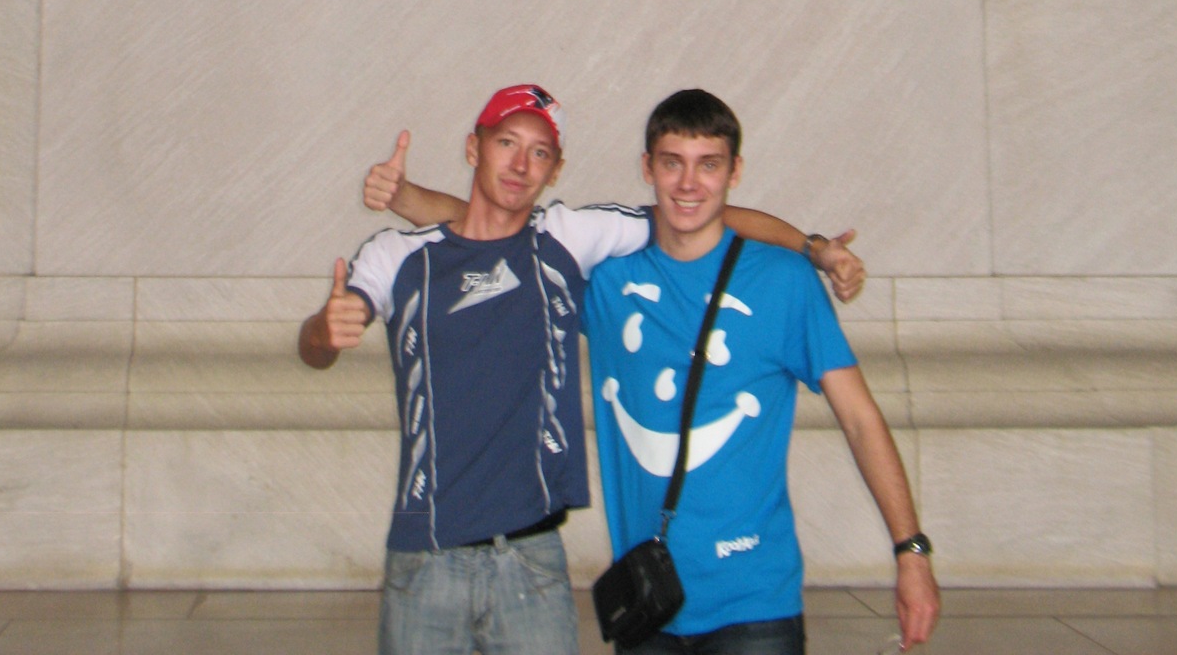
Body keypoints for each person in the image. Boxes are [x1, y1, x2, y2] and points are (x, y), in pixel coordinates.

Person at [299, 83, 863, 655]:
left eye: (539, 152)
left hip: (533, 561)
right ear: (474, 148)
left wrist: (811, 247)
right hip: (425, 558)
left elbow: (705, 212)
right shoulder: (394, 255)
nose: (521, 164)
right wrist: (324, 330)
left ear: (556, 169)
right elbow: (318, 345)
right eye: (507, 143)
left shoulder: (568, 238)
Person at [584, 89, 939, 653]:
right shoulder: (605, 282)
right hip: (649, 602)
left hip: (755, 605)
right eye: (673, 163)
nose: (688, 183)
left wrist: (911, 550)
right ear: (648, 168)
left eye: (709, 165)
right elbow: (492, 231)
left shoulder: (784, 282)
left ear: (735, 171)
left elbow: (860, 419)